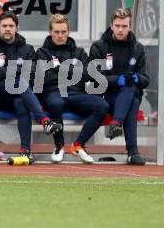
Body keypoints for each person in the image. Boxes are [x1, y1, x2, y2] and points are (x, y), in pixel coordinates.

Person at [0, 11, 62, 164]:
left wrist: (10, 72)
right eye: (4, 26)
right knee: (18, 82)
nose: (7, 29)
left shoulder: (28, 49)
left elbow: (32, 75)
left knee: (21, 103)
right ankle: (44, 120)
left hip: (19, 94)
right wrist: (18, 70)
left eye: (11, 26)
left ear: (17, 28)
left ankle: (25, 151)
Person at [34, 14, 109, 164]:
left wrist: (60, 69)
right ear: (50, 32)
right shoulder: (42, 53)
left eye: (63, 32)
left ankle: (78, 145)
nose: (60, 36)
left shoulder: (79, 52)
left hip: (77, 94)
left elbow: (89, 74)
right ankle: (59, 146)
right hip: (53, 93)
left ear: (68, 32)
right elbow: (44, 77)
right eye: (56, 32)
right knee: (56, 104)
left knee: (102, 105)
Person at [89, 8, 149, 165]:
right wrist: (119, 80)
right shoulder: (99, 47)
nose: (120, 30)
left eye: (124, 26)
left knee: (131, 91)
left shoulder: (138, 48)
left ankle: (116, 124)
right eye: (117, 26)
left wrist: (135, 78)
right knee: (132, 99)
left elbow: (146, 79)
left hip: (128, 96)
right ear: (111, 25)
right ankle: (132, 151)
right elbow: (94, 77)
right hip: (106, 97)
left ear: (130, 26)